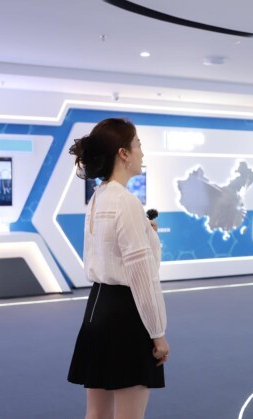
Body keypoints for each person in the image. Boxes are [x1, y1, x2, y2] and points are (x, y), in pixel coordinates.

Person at [67, 118, 169, 419]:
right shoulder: (126, 202)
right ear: (123, 153)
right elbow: (142, 276)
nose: (142, 153)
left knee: (96, 414)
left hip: (97, 310)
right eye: (138, 145)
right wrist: (158, 333)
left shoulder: (99, 197)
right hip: (126, 315)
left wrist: (146, 232)